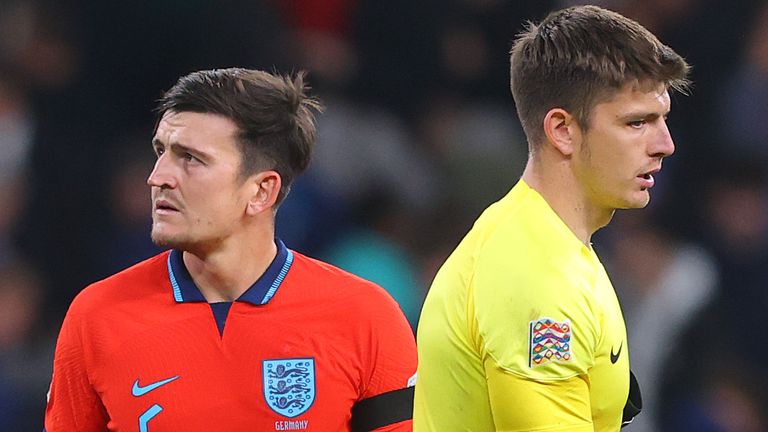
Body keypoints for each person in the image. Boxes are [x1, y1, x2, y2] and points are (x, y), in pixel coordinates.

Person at [44, 68, 417, 431]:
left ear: (261, 192)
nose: (157, 177)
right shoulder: (96, 317)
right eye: (161, 152)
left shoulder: (364, 318)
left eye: (191, 158)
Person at [413, 5, 690, 431]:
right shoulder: (535, 276)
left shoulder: (547, 243)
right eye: (637, 123)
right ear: (562, 130)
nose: (664, 144)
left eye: (663, 119)